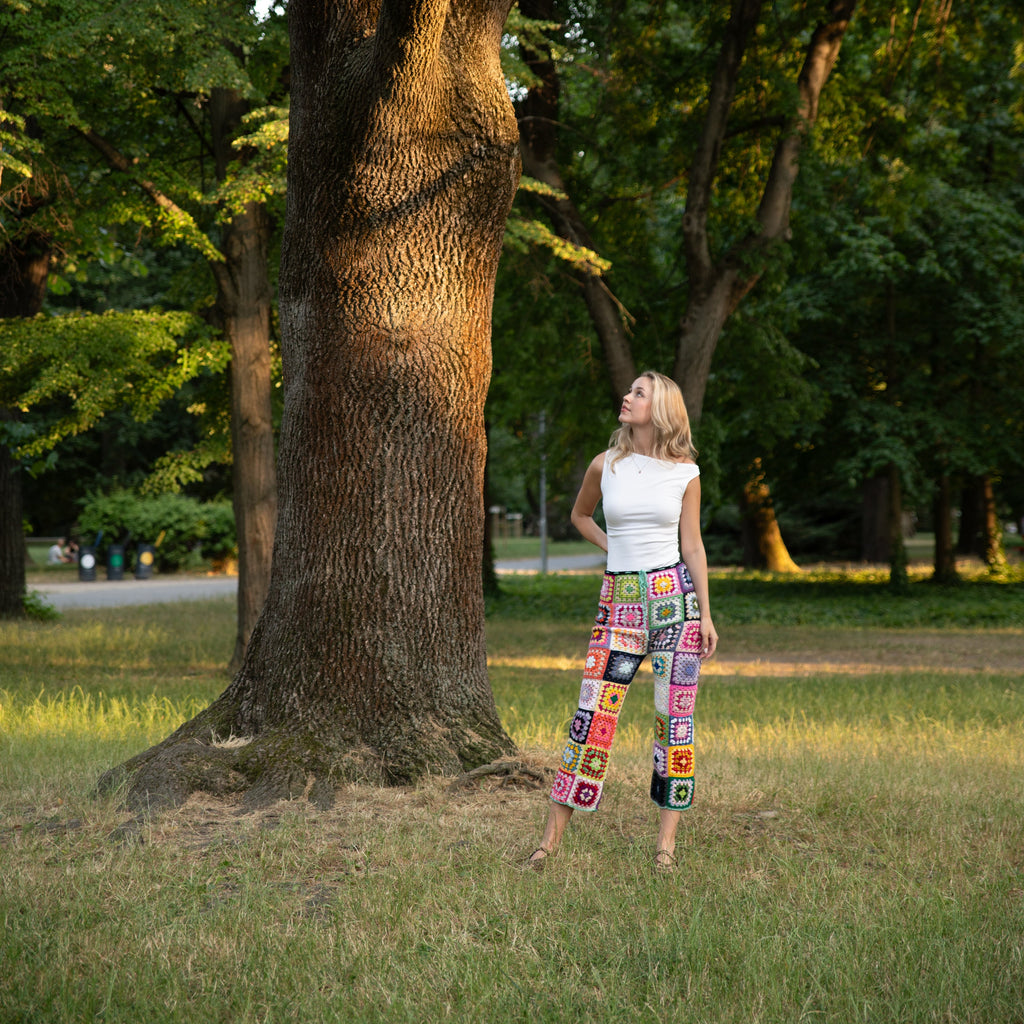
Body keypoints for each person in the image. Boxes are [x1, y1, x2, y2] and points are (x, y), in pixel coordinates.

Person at [527, 371, 718, 871]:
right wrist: (619, 550)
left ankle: (665, 849)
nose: (627, 397)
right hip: (620, 603)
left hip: (675, 601)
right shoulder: (605, 464)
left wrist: (707, 614)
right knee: (591, 718)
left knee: (674, 722)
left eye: (639, 393)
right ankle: (547, 844)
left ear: (660, 409)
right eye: (629, 390)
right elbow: (581, 517)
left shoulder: (685, 473)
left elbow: (692, 545)